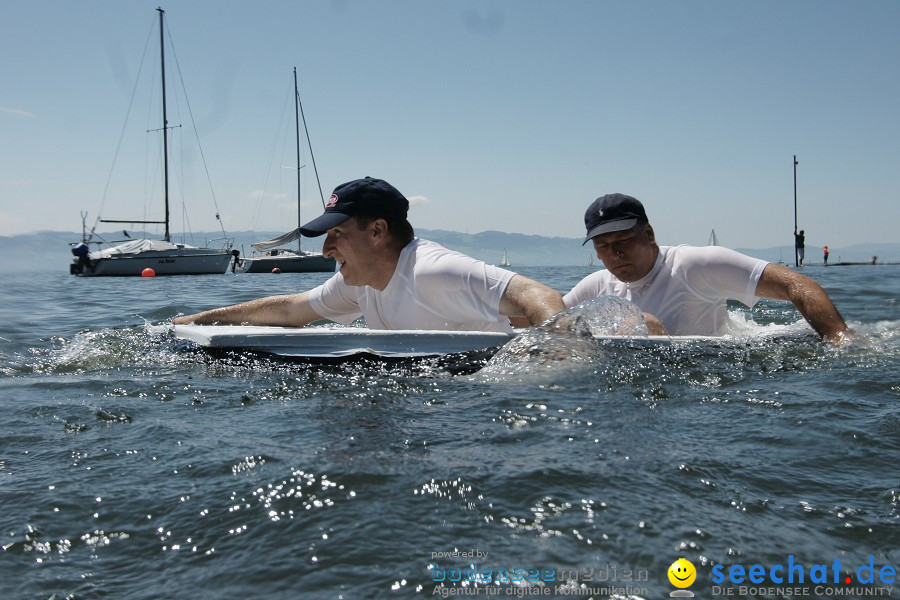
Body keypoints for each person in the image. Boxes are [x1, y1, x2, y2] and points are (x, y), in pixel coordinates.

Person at [174, 177, 564, 333]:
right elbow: (290, 311)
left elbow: (543, 298)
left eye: (337, 235)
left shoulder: (433, 270)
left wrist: (556, 362)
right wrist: (196, 321)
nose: (327, 250)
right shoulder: (357, 284)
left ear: (378, 231)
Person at [564, 194, 850, 344]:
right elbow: (544, 324)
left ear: (649, 234)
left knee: (647, 325)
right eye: (603, 245)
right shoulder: (597, 285)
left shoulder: (694, 265)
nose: (615, 253)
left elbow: (798, 285)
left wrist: (840, 342)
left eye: (624, 240)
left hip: (709, 375)